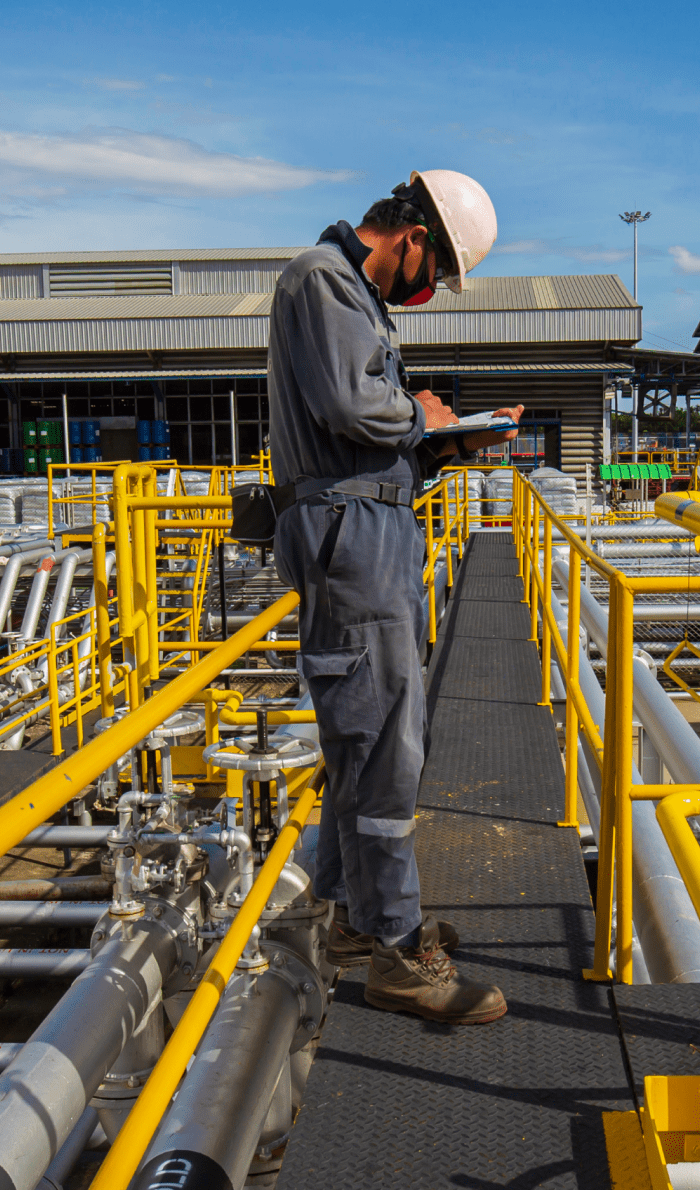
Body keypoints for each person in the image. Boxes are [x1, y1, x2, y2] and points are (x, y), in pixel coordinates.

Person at [268, 170, 523, 1024]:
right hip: (350, 535)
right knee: (385, 744)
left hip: (371, 529)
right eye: (434, 269)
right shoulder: (322, 278)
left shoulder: (353, 297)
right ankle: (399, 952)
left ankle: (354, 917)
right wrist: (422, 413)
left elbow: (370, 425)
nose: (428, 289)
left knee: (369, 737)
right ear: (409, 235)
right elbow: (351, 402)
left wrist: (448, 440)